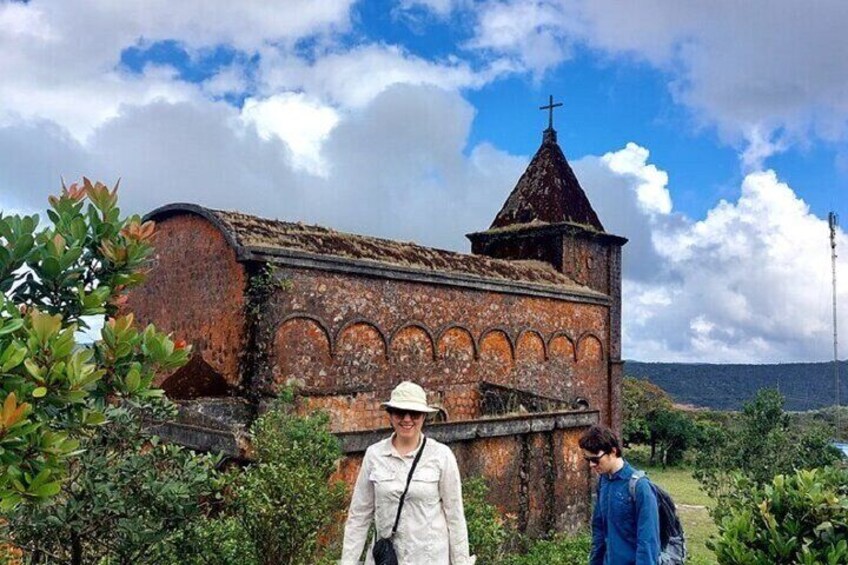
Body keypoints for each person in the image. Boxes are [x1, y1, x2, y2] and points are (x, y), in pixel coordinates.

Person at [341, 381, 476, 565]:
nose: (407, 419)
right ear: (390, 414)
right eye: (400, 412)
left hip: (429, 558)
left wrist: (461, 562)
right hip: (387, 559)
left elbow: (455, 517)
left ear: (423, 416)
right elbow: (359, 516)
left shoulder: (441, 456)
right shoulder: (374, 455)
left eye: (414, 413)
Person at [579, 424, 660, 565]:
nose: (591, 465)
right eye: (588, 460)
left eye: (595, 460)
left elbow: (648, 542)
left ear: (613, 452)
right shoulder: (603, 481)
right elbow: (599, 531)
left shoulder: (640, 487)